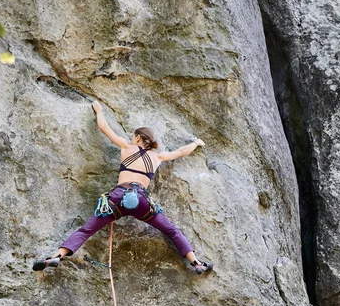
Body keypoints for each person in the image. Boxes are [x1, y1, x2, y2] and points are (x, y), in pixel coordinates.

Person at [33, 101, 213, 274]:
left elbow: (104, 129)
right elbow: (181, 152)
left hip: (116, 199)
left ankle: (56, 256)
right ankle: (196, 263)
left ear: (138, 138)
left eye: (133, 136)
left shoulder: (127, 147)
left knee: (86, 230)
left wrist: (99, 111)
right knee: (171, 230)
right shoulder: (157, 157)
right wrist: (196, 143)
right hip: (141, 202)